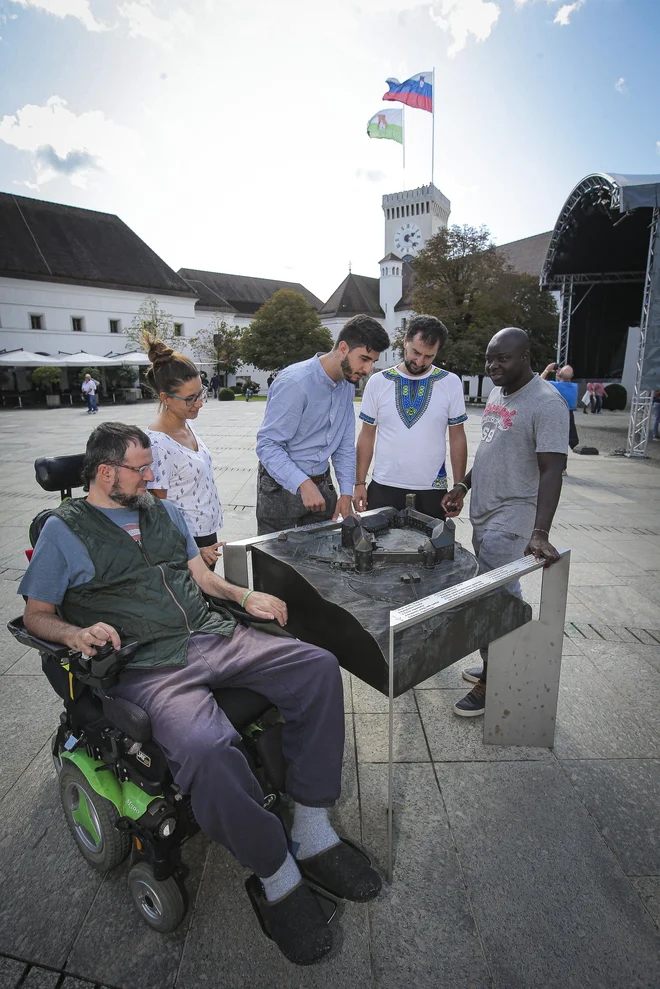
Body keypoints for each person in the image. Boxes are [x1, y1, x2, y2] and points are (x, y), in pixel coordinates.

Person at [18, 422, 381, 965]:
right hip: (146, 664)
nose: (150, 476)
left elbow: (205, 582)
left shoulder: (163, 514)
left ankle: (310, 826)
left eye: (150, 467)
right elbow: (36, 616)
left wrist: (246, 595)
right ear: (104, 472)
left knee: (318, 667)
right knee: (206, 748)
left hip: (213, 633)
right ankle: (275, 869)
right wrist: (75, 634)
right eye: (140, 469)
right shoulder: (64, 532)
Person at [442, 328, 568, 717]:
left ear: (526, 357)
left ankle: (497, 677)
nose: (493, 366)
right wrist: (464, 484)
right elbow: (492, 449)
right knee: (494, 592)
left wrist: (540, 531)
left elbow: (552, 471)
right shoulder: (498, 393)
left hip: (513, 516)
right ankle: (496, 658)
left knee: (493, 598)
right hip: (484, 510)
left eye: (503, 359)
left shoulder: (547, 404)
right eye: (489, 359)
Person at [255, 314, 390, 535]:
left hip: (322, 486)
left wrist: (346, 492)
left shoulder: (347, 383)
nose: (367, 370)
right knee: (275, 566)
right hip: (280, 488)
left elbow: (344, 445)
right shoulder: (294, 383)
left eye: (372, 362)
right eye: (364, 359)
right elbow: (267, 445)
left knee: (320, 562)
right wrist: (302, 483)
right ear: (343, 348)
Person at [354, 314, 468, 517]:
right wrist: (360, 482)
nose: (420, 361)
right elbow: (367, 434)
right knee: (376, 548)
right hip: (383, 487)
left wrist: (458, 486)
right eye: (416, 352)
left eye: (429, 356)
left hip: (432, 491)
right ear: (405, 340)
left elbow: (457, 436)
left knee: (433, 549)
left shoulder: (450, 383)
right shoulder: (378, 382)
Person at [142, 335, 224, 570]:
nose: (198, 403)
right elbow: (156, 510)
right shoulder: (157, 444)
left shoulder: (187, 423)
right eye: (190, 398)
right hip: (185, 543)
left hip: (206, 533)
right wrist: (191, 550)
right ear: (165, 398)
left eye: (200, 393)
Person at [541, 362, 579, 464]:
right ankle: (563, 466)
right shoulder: (575, 387)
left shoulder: (555, 386)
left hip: (556, 414)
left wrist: (547, 370)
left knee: (554, 440)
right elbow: (566, 379)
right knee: (564, 441)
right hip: (569, 415)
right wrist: (561, 373)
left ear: (559, 375)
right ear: (572, 376)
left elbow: (539, 382)